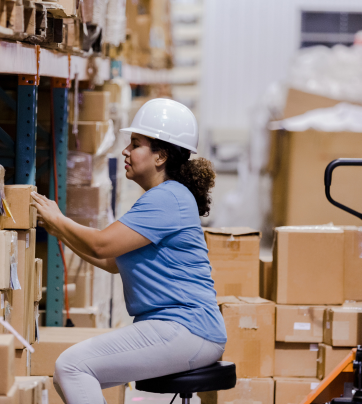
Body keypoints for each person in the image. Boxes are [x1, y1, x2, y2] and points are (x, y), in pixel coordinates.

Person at [31, 98, 227, 404]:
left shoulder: (167, 198)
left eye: (135, 144)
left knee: (71, 368)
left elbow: (101, 244)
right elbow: (110, 260)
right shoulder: (166, 197)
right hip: (182, 330)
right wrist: (59, 231)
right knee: (73, 370)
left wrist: (59, 220)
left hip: (185, 329)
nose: (125, 151)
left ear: (160, 155)